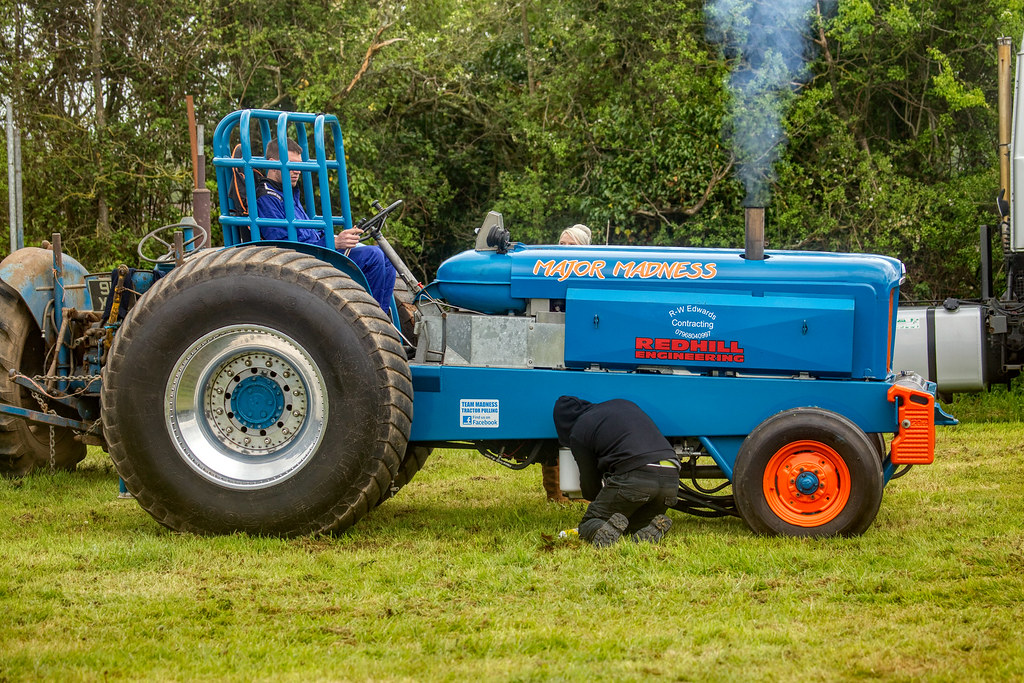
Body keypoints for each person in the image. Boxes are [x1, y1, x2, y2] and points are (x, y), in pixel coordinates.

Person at [255, 139, 397, 315]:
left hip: (317, 251)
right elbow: (285, 247)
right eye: (291, 164)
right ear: (272, 163)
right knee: (373, 257)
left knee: (387, 257)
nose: (297, 171)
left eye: (299, 165)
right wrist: (334, 243)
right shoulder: (267, 197)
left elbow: (307, 232)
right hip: (303, 261)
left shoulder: (287, 192)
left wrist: (338, 238)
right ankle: (370, 319)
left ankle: (381, 318)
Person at [553, 396, 679, 547]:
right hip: (671, 478)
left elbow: (590, 481)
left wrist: (597, 499)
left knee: (590, 522)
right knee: (631, 525)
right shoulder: (623, 404)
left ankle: (598, 529)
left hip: (636, 476)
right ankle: (648, 526)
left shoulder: (579, 430)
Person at [538, 223, 594, 503]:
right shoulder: (546, 273)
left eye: (572, 246)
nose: (565, 250)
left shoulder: (591, 279)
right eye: (562, 244)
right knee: (551, 422)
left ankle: (576, 489)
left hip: (578, 356)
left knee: (576, 425)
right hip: (549, 354)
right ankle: (554, 492)